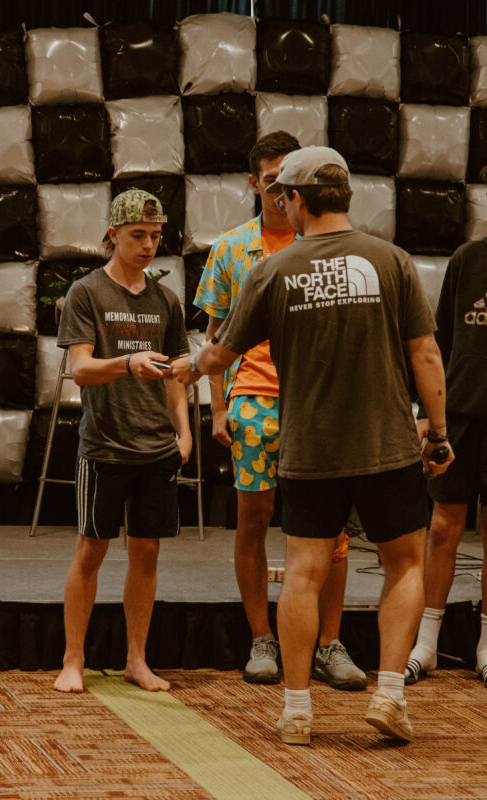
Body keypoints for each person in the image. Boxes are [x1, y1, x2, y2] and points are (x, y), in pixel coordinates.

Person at [171, 146, 454, 744]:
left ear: (296, 198)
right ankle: (390, 693)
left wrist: (185, 368)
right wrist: (439, 431)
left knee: (303, 572)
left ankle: (297, 710)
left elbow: (221, 353)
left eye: (285, 197)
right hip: (386, 446)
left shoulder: (274, 271)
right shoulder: (392, 260)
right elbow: (426, 354)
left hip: (308, 450)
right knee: (405, 565)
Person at [194, 131, 366, 689]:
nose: (279, 189)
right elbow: (215, 336)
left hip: (320, 400)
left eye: (288, 181)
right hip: (255, 397)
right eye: (270, 179)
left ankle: (329, 643)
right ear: (254, 182)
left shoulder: (330, 242)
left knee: (331, 528)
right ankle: (261, 638)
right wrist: (218, 409)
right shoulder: (232, 248)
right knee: (254, 518)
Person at [54, 189, 192, 694]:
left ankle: (137, 659)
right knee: (91, 550)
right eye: (138, 235)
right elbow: (80, 370)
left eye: (155, 236)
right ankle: (73, 659)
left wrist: (185, 432)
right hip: (105, 446)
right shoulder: (86, 292)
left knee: (147, 552)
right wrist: (127, 363)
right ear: (113, 235)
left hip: (156, 447)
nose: (148, 245)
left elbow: (175, 375)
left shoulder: (166, 300)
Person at [406, 236, 487, 687]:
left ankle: (486, 647)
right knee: (441, 528)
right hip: (458, 415)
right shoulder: (466, 258)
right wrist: (427, 412)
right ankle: (426, 643)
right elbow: (440, 342)